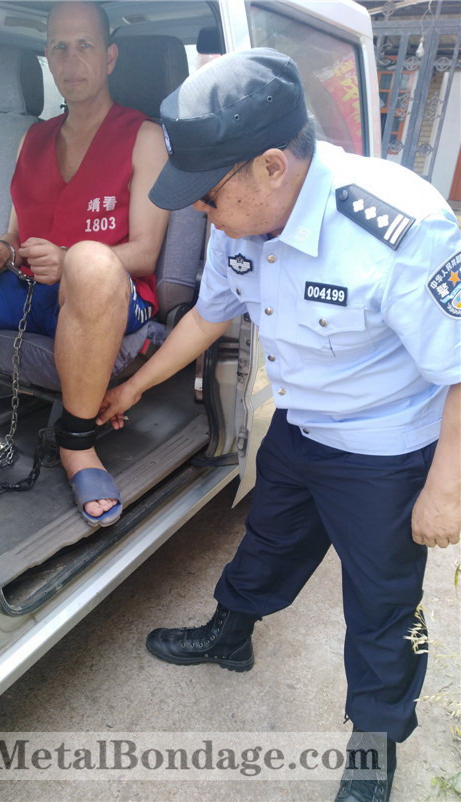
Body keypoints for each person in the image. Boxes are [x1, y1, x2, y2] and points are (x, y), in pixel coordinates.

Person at [97, 48, 461, 802]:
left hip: (385, 453)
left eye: (207, 196)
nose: (200, 212)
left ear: (271, 166)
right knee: (267, 541)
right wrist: (131, 386)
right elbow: (208, 316)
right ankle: (229, 637)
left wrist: (445, 490)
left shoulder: (403, 228)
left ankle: (374, 750)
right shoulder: (242, 216)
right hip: (301, 428)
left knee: (383, 608)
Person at [0, 1, 169, 526]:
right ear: (48, 57)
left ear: (109, 57)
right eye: (59, 47)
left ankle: (77, 443)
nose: (70, 60)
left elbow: (145, 251)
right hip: (31, 289)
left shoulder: (144, 137)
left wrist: (70, 259)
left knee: (90, 263)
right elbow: (15, 236)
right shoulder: (32, 139)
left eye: (84, 46)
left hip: (111, 292)